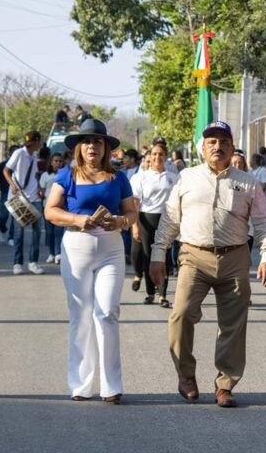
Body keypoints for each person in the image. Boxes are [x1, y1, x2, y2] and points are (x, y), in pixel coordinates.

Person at [150, 120, 266, 408]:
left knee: (233, 323)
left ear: (232, 148)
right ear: (203, 147)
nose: (217, 146)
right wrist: (158, 254)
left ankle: (225, 384)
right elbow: (170, 220)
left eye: (223, 142)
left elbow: (263, 223)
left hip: (235, 257)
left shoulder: (248, 182)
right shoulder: (186, 178)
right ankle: (186, 375)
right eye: (211, 141)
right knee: (181, 314)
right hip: (193, 256)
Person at [44, 118, 137, 404]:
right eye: (86, 142)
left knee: (107, 312)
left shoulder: (118, 178)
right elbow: (50, 211)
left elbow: (132, 214)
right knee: (81, 315)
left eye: (97, 141)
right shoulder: (67, 175)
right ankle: (80, 385)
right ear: (79, 148)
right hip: (77, 246)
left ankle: (111, 386)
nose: (92, 146)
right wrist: (78, 219)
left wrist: (120, 221)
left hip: (111, 249)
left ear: (106, 147)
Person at [130, 141, 179, 308]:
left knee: (164, 256)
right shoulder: (140, 177)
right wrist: (135, 226)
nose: (158, 157)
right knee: (148, 256)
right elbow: (135, 204)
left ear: (166, 157)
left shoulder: (173, 177)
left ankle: (162, 295)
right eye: (155, 154)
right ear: (149, 157)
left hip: (166, 219)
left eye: (161, 154)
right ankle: (150, 293)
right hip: (146, 219)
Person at [4, 130, 44, 275]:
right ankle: (17, 263)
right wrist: (12, 185)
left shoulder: (35, 155)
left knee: (37, 231)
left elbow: (34, 174)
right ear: (36, 142)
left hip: (34, 197)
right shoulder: (19, 153)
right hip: (19, 197)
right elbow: (6, 171)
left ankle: (33, 262)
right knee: (19, 232)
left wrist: (39, 187)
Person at [39, 153, 65, 264]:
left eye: (60, 161)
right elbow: (41, 191)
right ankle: (51, 253)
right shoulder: (45, 175)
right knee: (49, 232)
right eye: (56, 161)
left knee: (59, 231)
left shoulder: (65, 175)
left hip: (61, 207)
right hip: (47, 206)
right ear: (51, 162)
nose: (58, 163)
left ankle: (58, 253)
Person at [130, 150, 150, 292]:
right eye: (147, 161)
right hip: (139, 217)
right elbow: (133, 204)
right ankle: (138, 274)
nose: (149, 164)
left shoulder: (164, 177)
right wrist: (135, 225)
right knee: (136, 253)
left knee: (151, 254)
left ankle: (154, 285)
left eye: (151, 161)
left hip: (155, 219)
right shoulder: (137, 178)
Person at [0, 145, 19, 244]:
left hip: (17, 193)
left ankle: (11, 237)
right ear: (10, 153)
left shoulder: (20, 165)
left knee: (15, 216)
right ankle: (2, 228)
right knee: (3, 216)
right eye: (14, 152)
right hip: (5, 193)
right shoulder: (3, 165)